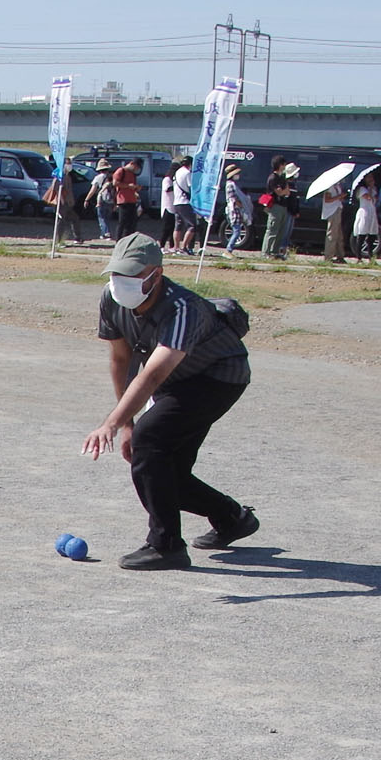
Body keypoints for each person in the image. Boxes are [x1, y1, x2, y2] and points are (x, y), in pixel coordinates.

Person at [83, 234, 257, 571]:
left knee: (151, 444)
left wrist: (112, 423)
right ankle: (232, 518)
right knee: (165, 471)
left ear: (156, 275)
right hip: (173, 382)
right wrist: (127, 425)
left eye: (133, 276)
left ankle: (166, 545)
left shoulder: (183, 307)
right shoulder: (112, 299)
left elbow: (151, 375)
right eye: (117, 275)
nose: (122, 284)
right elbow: (122, 360)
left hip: (217, 376)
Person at [259, 160, 297, 258]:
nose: (285, 166)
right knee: (272, 230)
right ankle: (266, 252)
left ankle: (274, 252)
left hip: (283, 206)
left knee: (281, 231)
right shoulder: (273, 178)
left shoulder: (282, 178)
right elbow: (279, 192)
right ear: (280, 165)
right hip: (275, 206)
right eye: (284, 164)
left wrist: (283, 191)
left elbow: (287, 192)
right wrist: (283, 191)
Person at [169, 155, 199, 254]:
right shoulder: (187, 173)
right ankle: (184, 247)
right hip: (185, 202)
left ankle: (176, 247)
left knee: (178, 225)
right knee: (192, 225)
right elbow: (191, 188)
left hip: (176, 202)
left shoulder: (177, 172)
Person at [111, 160, 142, 238]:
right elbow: (115, 183)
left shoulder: (133, 174)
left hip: (132, 200)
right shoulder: (121, 171)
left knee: (132, 223)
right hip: (123, 200)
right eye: (136, 167)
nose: (136, 169)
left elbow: (133, 187)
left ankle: (128, 239)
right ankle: (119, 240)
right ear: (132, 163)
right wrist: (128, 185)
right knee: (122, 222)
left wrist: (137, 188)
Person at [352, 177, 381, 261]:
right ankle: (358, 257)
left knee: (372, 234)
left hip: (372, 211)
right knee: (362, 234)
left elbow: (375, 199)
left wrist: (372, 189)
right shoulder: (362, 189)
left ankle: (370, 256)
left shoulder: (373, 189)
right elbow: (369, 197)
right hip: (364, 212)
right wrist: (371, 190)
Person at [320, 181, 350, 263]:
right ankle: (328, 256)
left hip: (338, 209)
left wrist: (341, 197)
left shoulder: (337, 186)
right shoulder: (329, 187)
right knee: (332, 234)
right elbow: (327, 199)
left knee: (339, 235)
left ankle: (340, 255)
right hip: (332, 212)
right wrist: (339, 196)